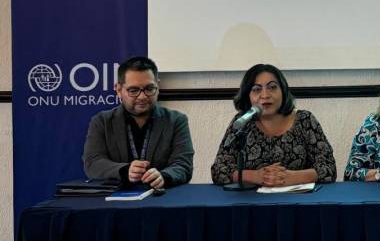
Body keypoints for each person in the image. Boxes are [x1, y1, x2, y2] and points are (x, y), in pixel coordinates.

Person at [211, 63, 336, 186]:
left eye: (272, 87)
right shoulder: (243, 122)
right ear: (247, 95)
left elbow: (328, 167)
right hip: (252, 198)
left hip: (298, 197)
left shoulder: (305, 120)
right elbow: (218, 169)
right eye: (256, 89)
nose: (265, 95)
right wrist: (255, 176)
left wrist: (292, 177)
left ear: (283, 91)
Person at [82, 56, 194, 188]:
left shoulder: (176, 121)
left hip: (161, 196)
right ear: (118, 90)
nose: (142, 96)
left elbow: (183, 165)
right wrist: (125, 170)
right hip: (116, 196)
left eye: (149, 89)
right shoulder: (102, 121)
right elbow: (92, 164)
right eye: (133, 90)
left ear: (158, 86)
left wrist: (164, 176)